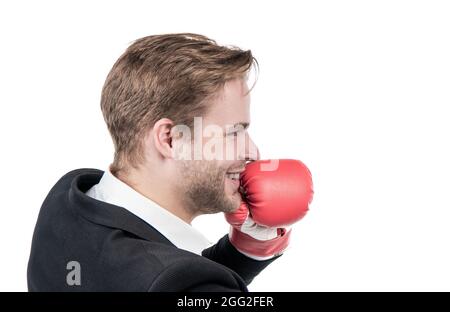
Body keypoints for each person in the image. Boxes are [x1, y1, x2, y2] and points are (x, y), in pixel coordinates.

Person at [27, 33, 313, 291]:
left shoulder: (67, 198)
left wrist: (244, 252)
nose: (254, 152)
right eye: (234, 132)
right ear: (170, 139)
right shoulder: (178, 282)